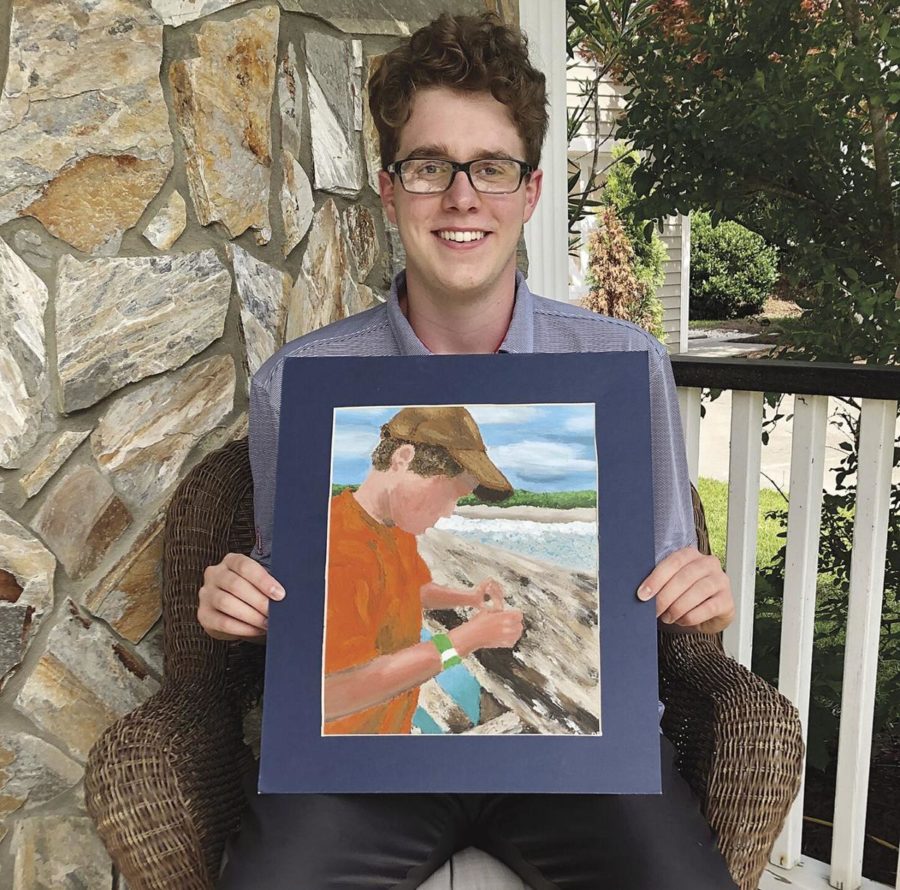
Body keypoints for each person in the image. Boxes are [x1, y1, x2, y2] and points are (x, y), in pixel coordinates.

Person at [200, 12, 737, 889]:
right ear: (388, 189)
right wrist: (240, 600)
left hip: (582, 770)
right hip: (362, 770)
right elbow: (303, 618)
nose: (461, 198)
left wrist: (700, 595)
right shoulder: (297, 387)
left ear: (529, 192)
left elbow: (666, 586)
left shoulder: (625, 365)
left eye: (491, 168)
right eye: (428, 167)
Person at [323, 405, 522, 734]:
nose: (449, 511)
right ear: (402, 458)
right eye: (450, 493)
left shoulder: (395, 527)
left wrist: (469, 597)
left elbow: (410, 590)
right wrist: (461, 641)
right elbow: (330, 694)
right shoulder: (338, 544)